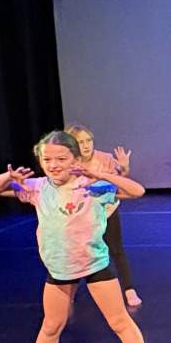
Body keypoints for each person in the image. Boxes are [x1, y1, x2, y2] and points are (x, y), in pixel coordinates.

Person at [0, 131, 151, 343]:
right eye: (47, 159)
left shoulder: (92, 187)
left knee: (119, 322)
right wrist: (9, 177)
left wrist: (98, 175)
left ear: (75, 159)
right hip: (60, 268)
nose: (53, 165)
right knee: (51, 326)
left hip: (94, 264)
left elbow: (137, 191)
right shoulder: (38, 187)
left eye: (61, 159)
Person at [67, 124, 141, 308]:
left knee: (116, 250)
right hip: (83, 215)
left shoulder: (105, 158)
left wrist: (124, 168)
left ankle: (129, 289)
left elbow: (121, 180)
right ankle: (68, 292)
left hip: (107, 211)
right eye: (80, 142)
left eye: (88, 141)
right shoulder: (69, 162)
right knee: (79, 253)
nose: (86, 145)